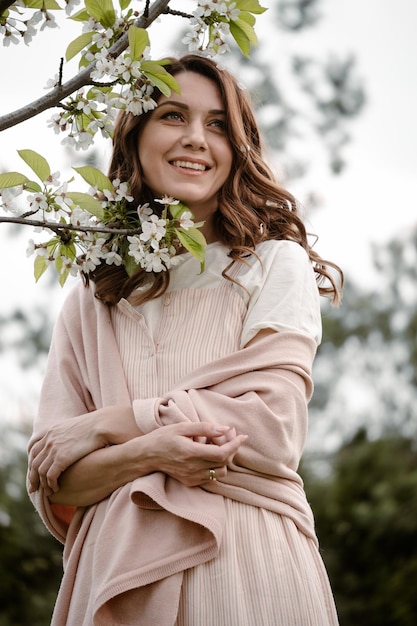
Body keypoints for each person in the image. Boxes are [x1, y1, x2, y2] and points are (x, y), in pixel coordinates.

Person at [27, 53, 342, 626]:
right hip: (114, 574)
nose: (196, 139)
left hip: (244, 565)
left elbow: (269, 431)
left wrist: (108, 425)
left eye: (218, 125)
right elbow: (57, 476)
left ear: (238, 148)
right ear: (136, 136)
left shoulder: (273, 265)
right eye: (173, 116)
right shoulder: (94, 295)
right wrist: (154, 450)